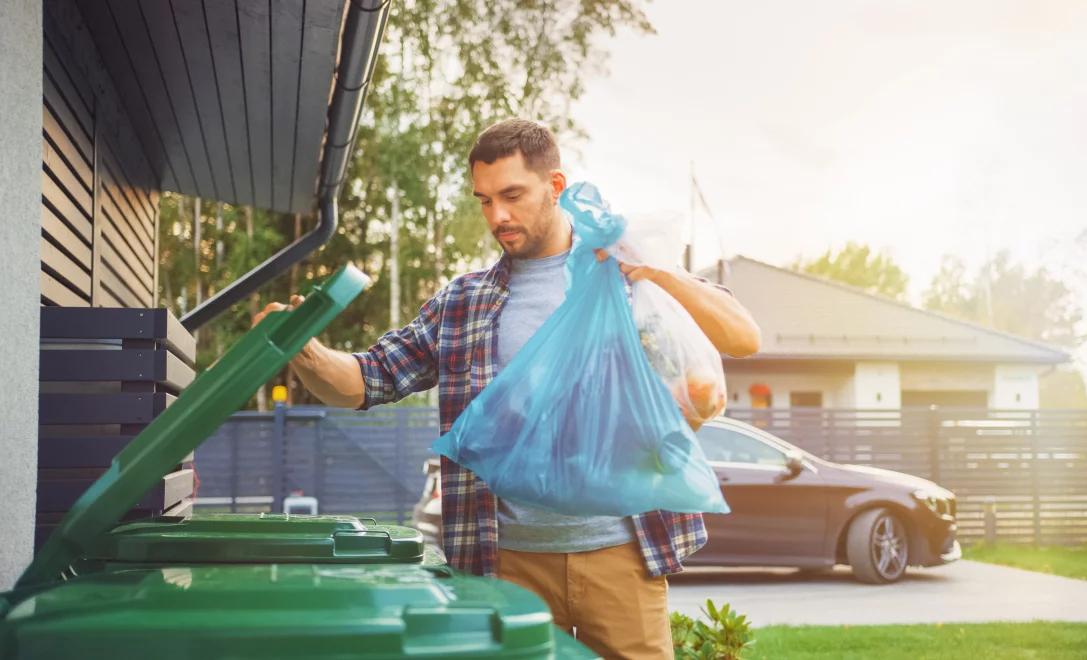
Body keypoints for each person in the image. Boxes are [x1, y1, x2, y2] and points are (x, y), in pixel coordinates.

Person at [253, 118, 760, 658]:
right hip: (507, 562)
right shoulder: (464, 303)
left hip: (621, 553)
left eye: (512, 195)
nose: (498, 215)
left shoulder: (623, 279)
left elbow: (742, 337)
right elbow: (366, 380)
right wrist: (301, 348)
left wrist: (657, 272)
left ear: (556, 186)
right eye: (484, 200)